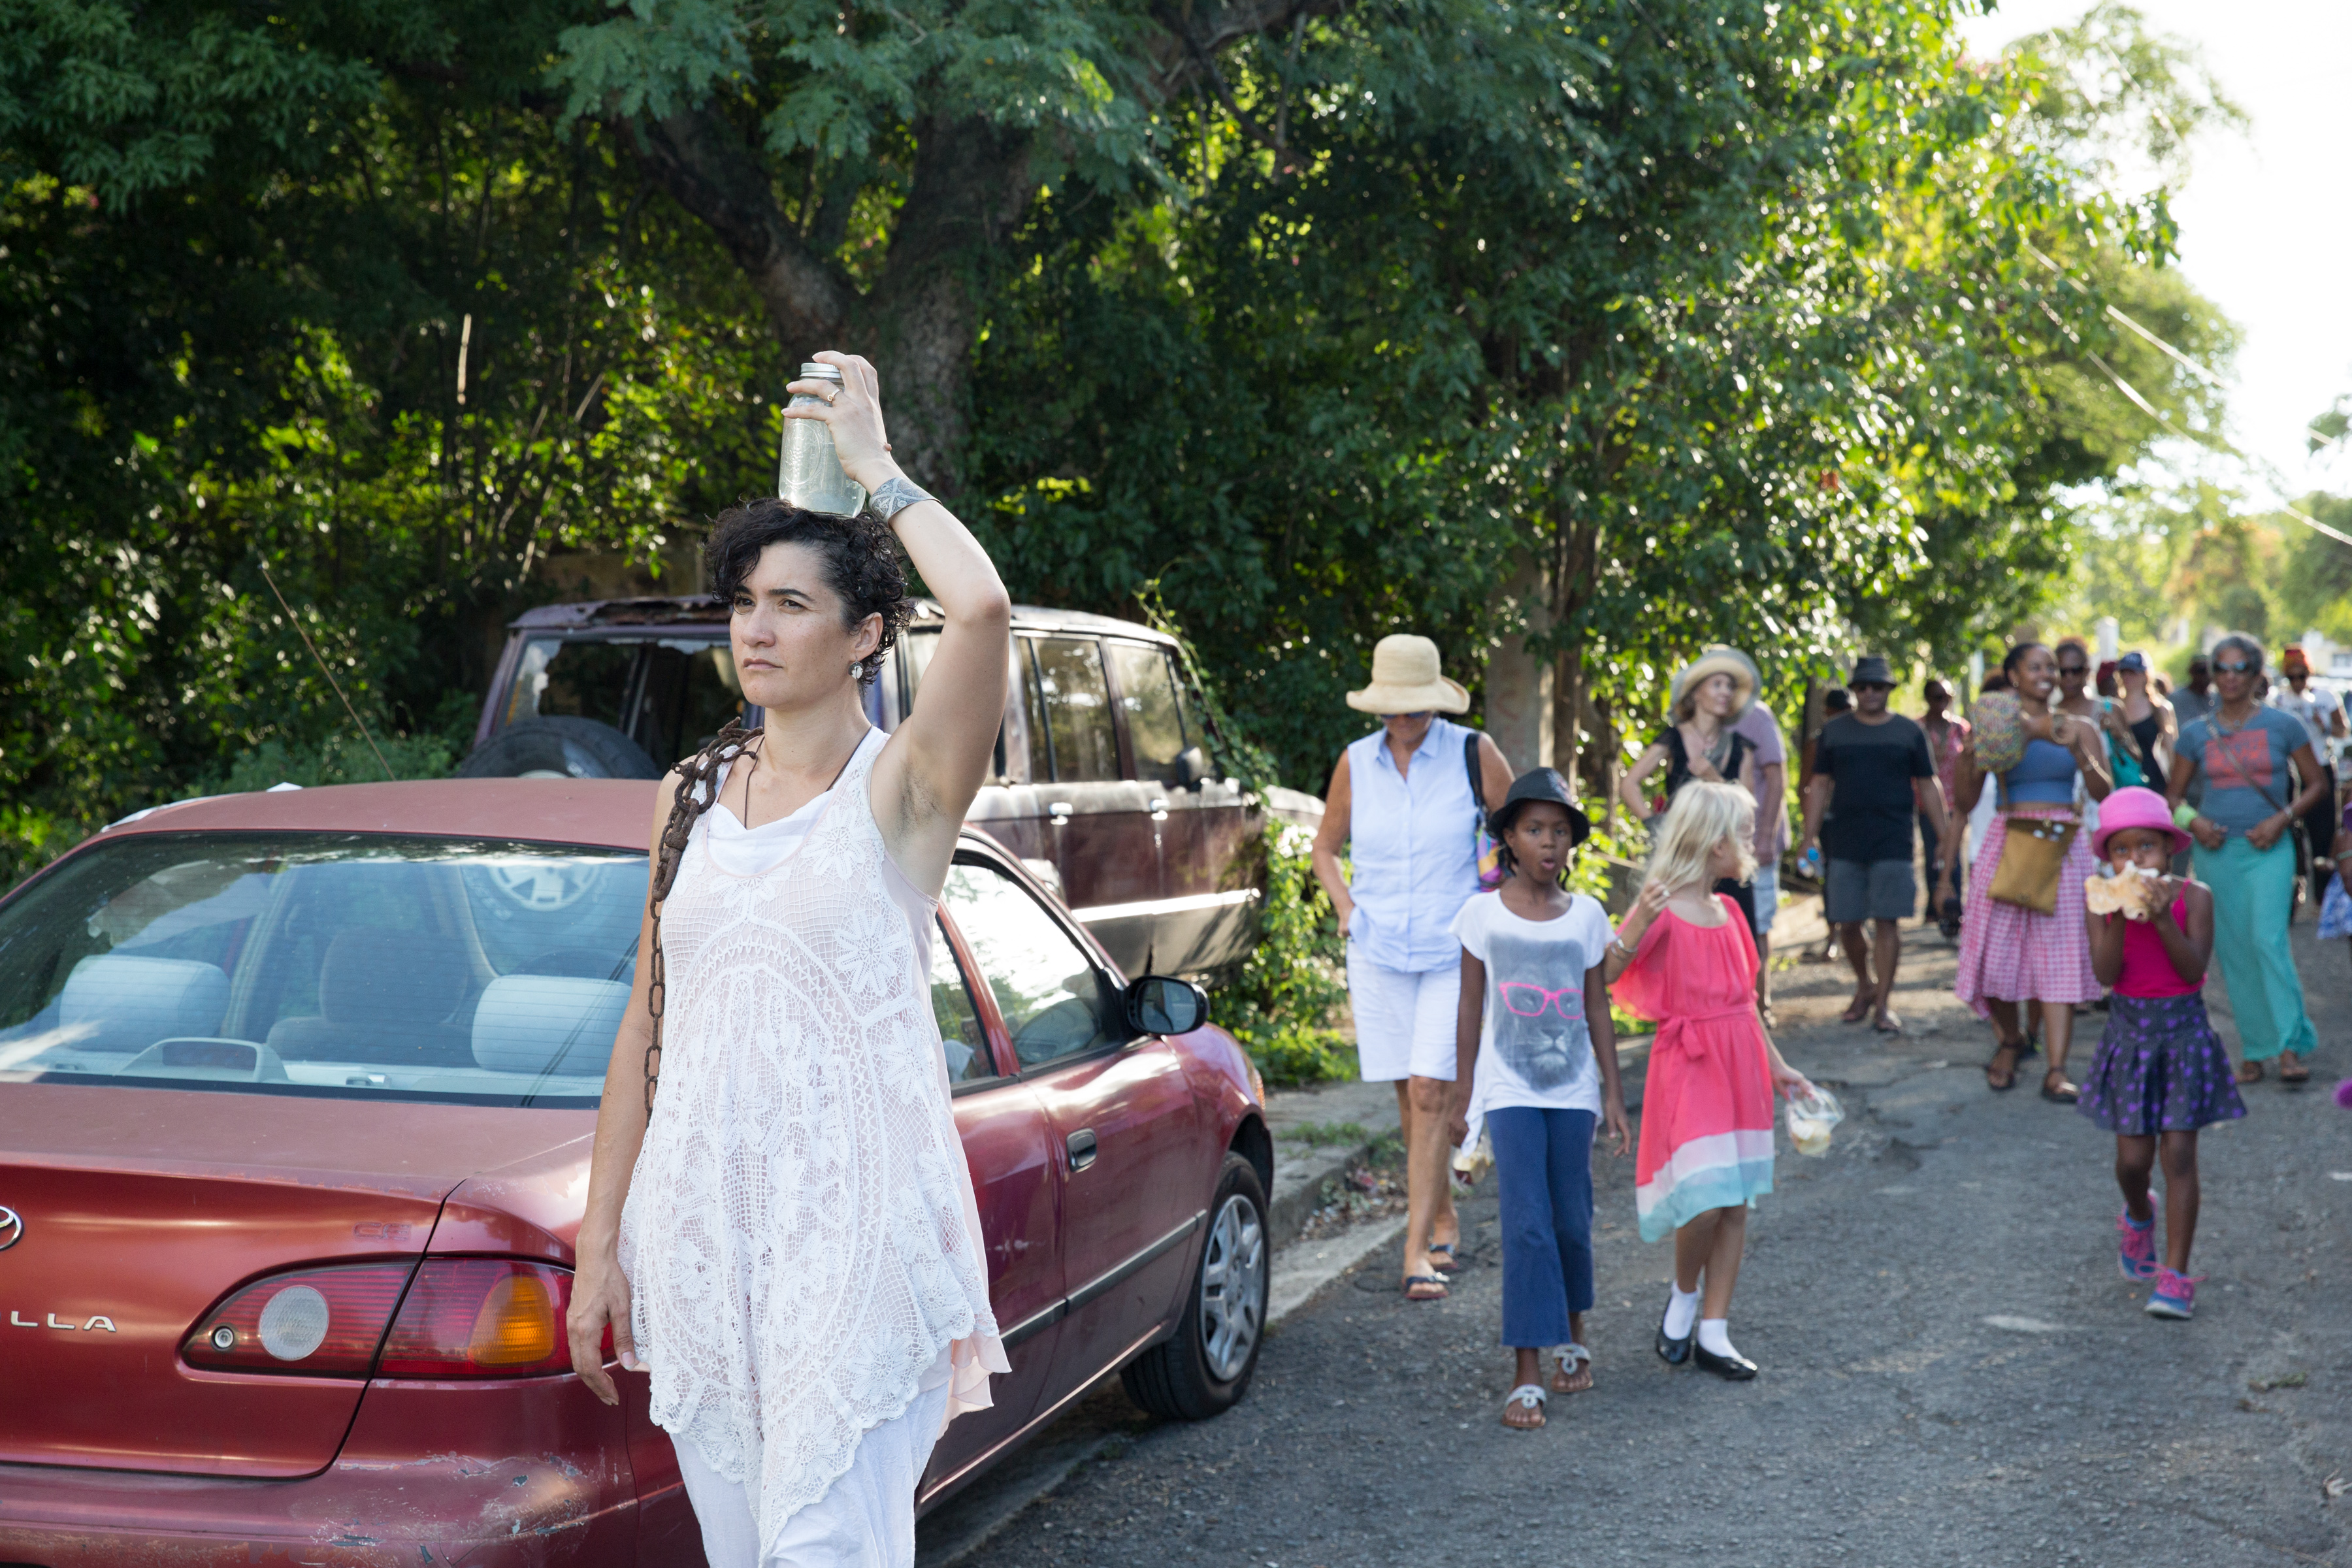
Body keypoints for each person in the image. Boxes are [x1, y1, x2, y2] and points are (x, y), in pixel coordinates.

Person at [567, 352, 1012, 1568]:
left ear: (867, 633)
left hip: (855, 1233)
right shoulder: (690, 795)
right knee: (744, 1550)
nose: (755, 629)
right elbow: (646, 1030)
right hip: (703, 1232)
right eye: (743, 602)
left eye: (792, 605)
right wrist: (601, 1243)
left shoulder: (905, 790)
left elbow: (979, 613)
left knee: (825, 1547)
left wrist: (875, 468)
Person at [1313, 634, 1516, 1299]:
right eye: (1393, 707)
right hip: (1376, 950)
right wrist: (1344, 905)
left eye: (1415, 707)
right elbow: (1325, 849)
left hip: (1451, 947)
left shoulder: (1471, 752)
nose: (1403, 719)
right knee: (1409, 1094)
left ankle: (1414, 1250)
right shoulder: (1355, 763)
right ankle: (1443, 1212)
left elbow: (1520, 830)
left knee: (1432, 1090)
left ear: (1434, 703)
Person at [1603, 780, 1810, 1381]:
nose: (1752, 841)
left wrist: (1779, 1068)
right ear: (1714, 841)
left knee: (1736, 1202)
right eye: (1744, 832)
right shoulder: (1662, 912)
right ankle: (1685, 1293)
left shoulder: (1732, 913)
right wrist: (1639, 916)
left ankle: (1715, 1333)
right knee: (1703, 1198)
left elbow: (1746, 1003)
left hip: (1741, 1062)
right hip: (1690, 1064)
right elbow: (1609, 971)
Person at [1446, 770, 1631, 1429]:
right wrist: (1462, 1089)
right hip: (1509, 1088)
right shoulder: (1480, 914)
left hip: (1574, 1090)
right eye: (1533, 830)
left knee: (1570, 1221)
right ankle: (1527, 1370)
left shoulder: (1586, 915)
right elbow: (1470, 1005)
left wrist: (1613, 1092)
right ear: (1508, 840)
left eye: (1559, 831)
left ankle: (1573, 1336)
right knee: (1526, 1223)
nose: (1548, 843)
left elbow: (1596, 1006)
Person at [2075, 787, 2244, 1322]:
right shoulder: (2099, 901)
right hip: (2129, 1036)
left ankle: (2175, 1274)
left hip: (2183, 1037)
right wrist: (2122, 915)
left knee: (2179, 1156)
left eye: (2146, 847)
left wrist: (2162, 917)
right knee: (2133, 1161)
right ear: (2109, 858)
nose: (2134, 860)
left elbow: (2193, 970)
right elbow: (2105, 975)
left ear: (2168, 850)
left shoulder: (2195, 898)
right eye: (2121, 851)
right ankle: (2137, 1213)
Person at [1951, 642, 2115, 1102]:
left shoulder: (2078, 725)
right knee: (1993, 953)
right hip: (2010, 836)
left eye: (2053, 668)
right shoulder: (1999, 727)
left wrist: (2077, 752)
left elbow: (2104, 792)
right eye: (2036, 667)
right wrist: (1968, 757)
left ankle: (2057, 1069)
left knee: (2059, 955)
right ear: (2014, 676)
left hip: (2064, 840)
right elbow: (1965, 802)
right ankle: (2010, 1039)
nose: (2048, 674)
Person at [2165, 634, 2326, 1087]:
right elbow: (2173, 796)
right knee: (2234, 952)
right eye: (2221, 668)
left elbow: (2315, 784)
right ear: (2212, 675)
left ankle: (2291, 1046)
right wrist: (2194, 823)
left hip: (2269, 849)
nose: (2230, 677)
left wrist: (2282, 820)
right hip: (2216, 853)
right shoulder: (2196, 733)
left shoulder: (2282, 726)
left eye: (2240, 668)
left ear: (2257, 674)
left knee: (2268, 941)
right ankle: (2255, 1050)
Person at [1797, 657, 1957, 1034]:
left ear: (1889, 690)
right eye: (1863, 687)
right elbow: (1819, 784)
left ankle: (1883, 1003)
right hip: (1845, 840)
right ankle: (1864, 984)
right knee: (1848, 921)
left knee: (1888, 921)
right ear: (1854, 691)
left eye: (1878, 687)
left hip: (1894, 839)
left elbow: (1929, 784)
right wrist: (1808, 837)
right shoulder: (1834, 733)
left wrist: (1943, 836)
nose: (1870, 693)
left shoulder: (1907, 732)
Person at [1620, 648, 1761, 930]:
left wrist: (1712, 777)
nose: (1726, 692)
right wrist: (1653, 823)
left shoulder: (1740, 747)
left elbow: (1747, 807)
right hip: (1683, 855)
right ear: (1696, 693)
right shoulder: (1672, 738)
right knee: (1667, 925)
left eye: (1730, 686)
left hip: (1726, 857)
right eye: (1717, 684)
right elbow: (1629, 784)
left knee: (1740, 929)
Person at [2270, 645, 2347, 900]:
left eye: (2301, 676)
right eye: (2291, 677)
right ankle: (2293, 891)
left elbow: (2342, 731)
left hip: (2321, 766)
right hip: (2289, 770)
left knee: (2323, 833)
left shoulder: (2326, 697)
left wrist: (2322, 723)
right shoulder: (2279, 700)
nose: (2297, 682)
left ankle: (2323, 895)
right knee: (2290, 830)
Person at [1733, 682, 1790, 1024]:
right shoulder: (1698, 719)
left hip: (1754, 841)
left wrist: (1766, 836)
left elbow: (1777, 777)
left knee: (1757, 924)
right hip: (1714, 844)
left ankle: (1759, 1003)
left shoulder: (1756, 716)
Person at [1919, 677, 1972, 937]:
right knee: (1932, 854)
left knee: (1953, 857)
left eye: (1945, 697)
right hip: (1925, 804)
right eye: (1935, 696)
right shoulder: (1917, 728)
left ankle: (1954, 910)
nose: (1941, 702)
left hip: (1956, 804)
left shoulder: (1961, 728)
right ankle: (1934, 905)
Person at [2173, 653, 2214, 728]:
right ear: (2191, 672)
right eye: (2201, 671)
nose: (2206, 675)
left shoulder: (2218, 698)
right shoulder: (2177, 698)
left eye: (2210, 671)